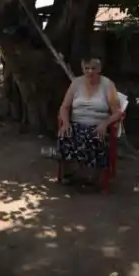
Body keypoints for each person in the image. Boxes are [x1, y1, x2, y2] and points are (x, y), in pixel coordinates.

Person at [56, 55, 123, 188]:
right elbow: (64, 107)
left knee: (92, 137)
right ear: (82, 69)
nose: (90, 71)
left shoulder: (108, 85)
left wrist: (105, 123)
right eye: (86, 68)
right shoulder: (76, 83)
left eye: (93, 68)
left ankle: (90, 177)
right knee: (66, 135)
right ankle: (71, 174)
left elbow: (117, 112)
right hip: (76, 123)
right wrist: (66, 123)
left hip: (97, 125)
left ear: (99, 69)